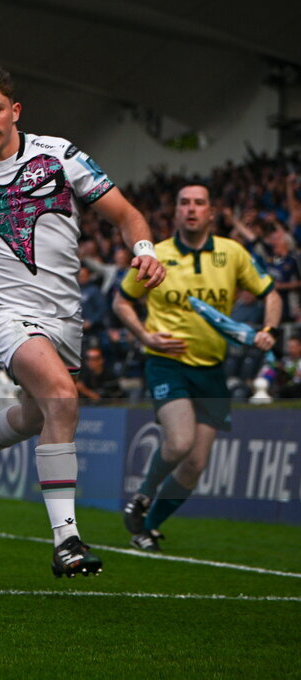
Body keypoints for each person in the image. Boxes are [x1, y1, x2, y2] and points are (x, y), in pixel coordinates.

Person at [0, 66, 166, 577]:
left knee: (40, 415)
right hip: (3, 314)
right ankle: (68, 541)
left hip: (64, 315)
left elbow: (126, 215)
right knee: (62, 396)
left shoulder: (59, 157)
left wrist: (145, 250)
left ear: (15, 111)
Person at [113, 184, 281, 551]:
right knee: (179, 442)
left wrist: (268, 330)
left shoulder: (232, 253)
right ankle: (142, 496)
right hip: (167, 363)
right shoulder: (155, 254)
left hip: (212, 368)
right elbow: (122, 302)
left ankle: (146, 528)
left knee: (195, 464)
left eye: (199, 203)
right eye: (184, 203)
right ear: (175, 212)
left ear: (211, 212)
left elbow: (271, 293)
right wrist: (144, 336)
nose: (191, 209)